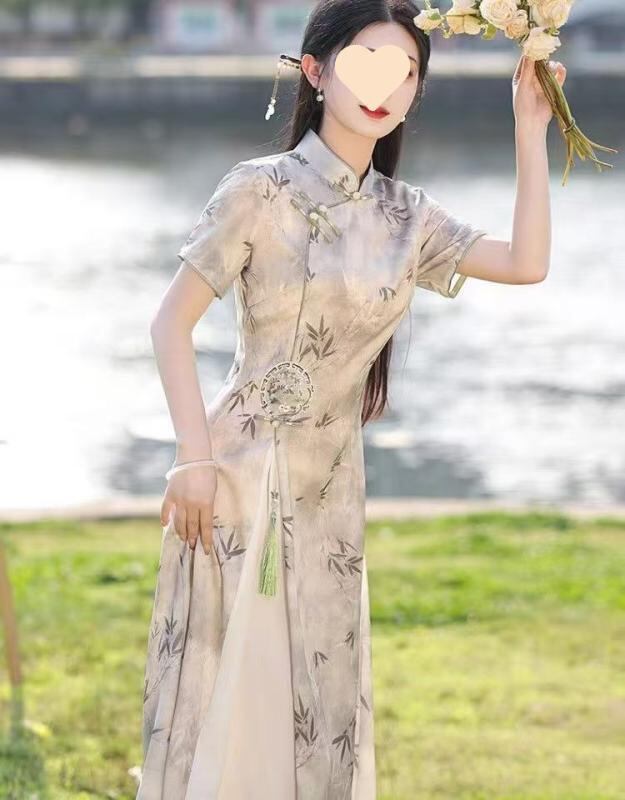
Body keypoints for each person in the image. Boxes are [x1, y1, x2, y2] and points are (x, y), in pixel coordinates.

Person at [137, 0, 565, 797]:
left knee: (317, 699)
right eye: (366, 63)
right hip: (234, 480)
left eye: (404, 71)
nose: (383, 87)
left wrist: (527, 128)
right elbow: (170, 324)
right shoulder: (258, 190)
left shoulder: (407, 218)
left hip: (332, 490)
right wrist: (191, 461)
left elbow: (526, 263)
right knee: (227, 690)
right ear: (314, 70)